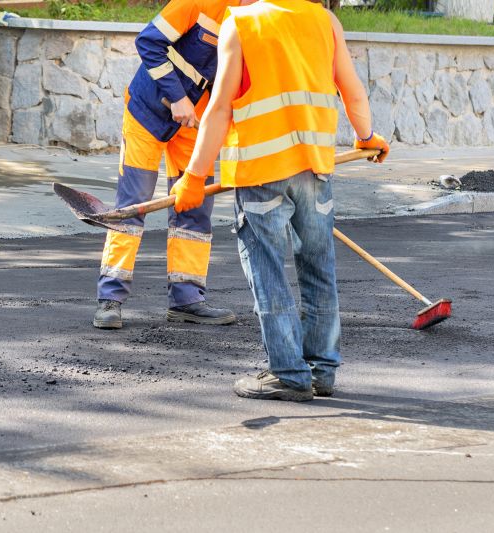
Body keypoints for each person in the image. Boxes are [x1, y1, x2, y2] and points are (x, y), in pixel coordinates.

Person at [171, 0, 390, 400]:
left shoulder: (241, 24)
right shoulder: (325, 21)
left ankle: (289, 373)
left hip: (261, 174)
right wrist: (366, 136)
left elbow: (219, 109)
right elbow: (353, 92)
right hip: (314, 167)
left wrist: (194, 176)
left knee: (268, 271)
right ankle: (322, 369)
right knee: (319, 269)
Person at [93, 0, 254, 330]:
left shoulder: (258, 20)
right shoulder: (197, 2)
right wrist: (177, 96)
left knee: (194, 206)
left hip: (195, 125)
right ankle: (110, 298)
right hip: (146, 113)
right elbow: (149, 41)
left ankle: (187, 299)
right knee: (133, 205)